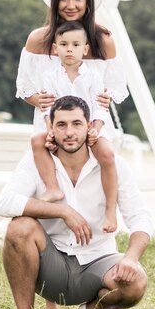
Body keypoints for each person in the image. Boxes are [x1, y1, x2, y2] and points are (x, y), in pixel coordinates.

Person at [15, 0, 129, 309]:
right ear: (54, 0)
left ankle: (106, 298)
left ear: (89, 0)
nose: (70, 4)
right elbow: (25, 88)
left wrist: (102, 110)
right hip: (52, 125)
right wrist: (41, 103)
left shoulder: (102, 40)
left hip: (92, 125)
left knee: (93, 198)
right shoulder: (40, 39)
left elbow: (116, 89)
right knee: (54, 201)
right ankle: (50, 299)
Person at [0, 96, 152, 309]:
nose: (69, 132)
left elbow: (140, 217)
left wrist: (131, 259)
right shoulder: (35, 161)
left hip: (98, 262)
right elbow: (4, 203)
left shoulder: (114, 165)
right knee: (19, 227)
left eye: (77, 124)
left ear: (89, 126)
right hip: (51, 264)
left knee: (137, 282)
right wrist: (63, 211)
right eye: (62, 125)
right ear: (52, 128)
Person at [32, 20, 119, 234]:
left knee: (107, 154)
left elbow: (100, 108)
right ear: (55, 48)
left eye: (75, 45)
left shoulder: (94, 77)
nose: (69, 49)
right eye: (64, 44)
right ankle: (52, 188)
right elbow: (47, 107)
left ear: (85, 49)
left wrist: (95, 130)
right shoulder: (49, 76)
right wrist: (51, 129)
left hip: (90, 128)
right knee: (37, 141)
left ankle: (110, 210)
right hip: (61, 129)